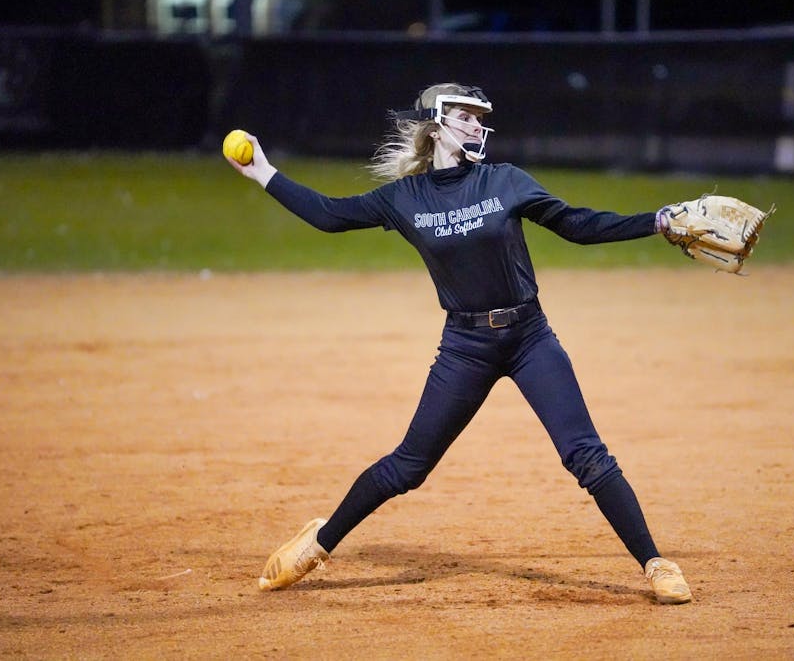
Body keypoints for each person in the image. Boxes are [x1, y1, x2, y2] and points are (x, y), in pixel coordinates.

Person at [227, 83, 692, 605]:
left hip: (529, 337)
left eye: (480, 118)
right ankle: (317, 543)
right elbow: (330, 215)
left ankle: (656, 564)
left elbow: (577, 225)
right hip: (465, 346)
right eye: (465, 116)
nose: (476, 126)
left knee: (585, 454)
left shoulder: (504, 181)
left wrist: (656, 221)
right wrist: (263, 172)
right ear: (435, 123)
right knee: (408, 467)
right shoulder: (405, 198)